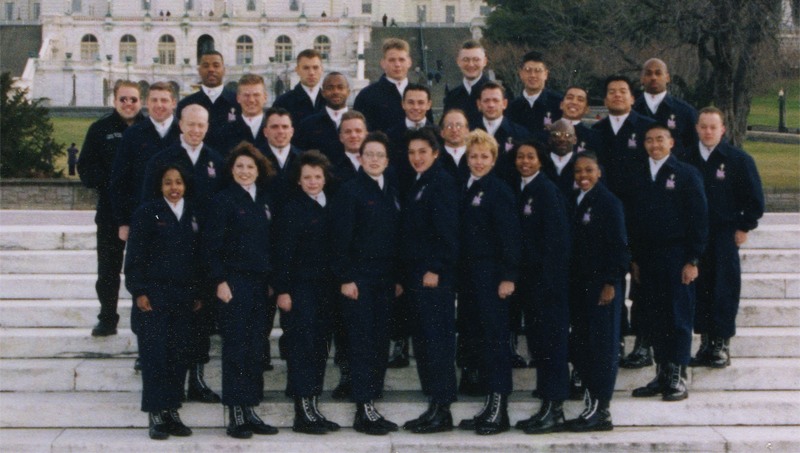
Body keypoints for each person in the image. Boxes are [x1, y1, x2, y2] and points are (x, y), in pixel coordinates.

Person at [140, 104, 225, 403]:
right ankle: (169, 387)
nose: (196, 130)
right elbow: (148, 207)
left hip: (204, 252)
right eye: (191, 124)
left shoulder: (216, 160)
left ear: (207, 127)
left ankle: (197, 379)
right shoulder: (162, 160)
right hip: (169, 253)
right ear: (180, 125)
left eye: (201, 125)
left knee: (201, 319)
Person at [203, 143, 279, 438]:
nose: (245, 171)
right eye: (239, 167)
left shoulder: (265, 200)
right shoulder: (223, 200)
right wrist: (219, 281)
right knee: (236, 347)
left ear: (258, 170)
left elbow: (271, 244)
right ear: (231, 170)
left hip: (261, 285)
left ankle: (250, 408)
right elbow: (211, 246)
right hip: (234, 284)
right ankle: (236, 412)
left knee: (256, 347)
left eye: (250, 166)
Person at [629, 123, 708, 402]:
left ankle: (677, 375)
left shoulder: (686, 174)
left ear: (671, 142)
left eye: (660, 139)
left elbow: (699, 219)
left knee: (678, 316)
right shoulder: (638, 174)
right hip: (647, 257)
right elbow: (633, 220)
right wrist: (634, 258)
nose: (655, 145)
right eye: (649, 140)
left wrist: (693, 259)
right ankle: (662, 373)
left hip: (677, 255)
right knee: (654, 315)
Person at [329, 132, 402, 435]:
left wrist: (397, 278)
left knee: (380, 341)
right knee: (361, 342)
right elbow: (339, 239)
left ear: (387, 160)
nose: (374, 159)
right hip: (358, 280)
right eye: (369, 154)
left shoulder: (391, 190)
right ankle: (363, 408)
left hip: (384, 280)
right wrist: (345, 277)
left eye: (379, 155)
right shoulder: (350, 191)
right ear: (359, 158)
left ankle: (372, 402)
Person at [682, 107, 764, 368]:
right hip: (694, 236)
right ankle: (705, 342)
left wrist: (744, 227)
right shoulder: (685, 158)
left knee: (723, 289)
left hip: (723, 235)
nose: (708, 132)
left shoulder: (738, 160)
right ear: (696, 128)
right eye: (703, 127)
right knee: (700, 289)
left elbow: (755, 200)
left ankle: (721, 344)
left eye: (713, 127)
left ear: (722, 130)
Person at [124, 163, 200, 440]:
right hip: (154, 296)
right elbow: (135, 256)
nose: (174, 188)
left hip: (183, 297)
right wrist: (139, 291)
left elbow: (200, 256)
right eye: (168, 182)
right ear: (159, 185)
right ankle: (156, 413)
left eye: (178, 182)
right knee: (155, 355)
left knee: (179, 355)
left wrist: (198, 293)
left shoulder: (194, 213)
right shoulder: (149, 212)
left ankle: (171, 411)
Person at [457, 129, 521, 436]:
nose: (478, 161)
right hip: (471, 278)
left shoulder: (499, 190)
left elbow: (510, 237)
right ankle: (488, 406)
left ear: (494, 159)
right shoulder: (467, 186)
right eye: (473, 156)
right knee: (479, 340)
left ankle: (499, 408)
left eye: (484, 156)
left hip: (493, 277)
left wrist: (508, 276)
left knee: (496, 341)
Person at [274, 150, 341, 434]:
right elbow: (283, 254)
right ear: (299, 181)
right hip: (300, 290)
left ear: (325, 178)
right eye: (307, 177)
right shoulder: (292, 209)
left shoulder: (332, 205)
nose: (313, 182)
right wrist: (283, 290)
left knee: (320, 348)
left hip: (326, 290)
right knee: (302, 348)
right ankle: (302, 412)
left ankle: (313, 407)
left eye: (317, 176)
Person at [592, 75, 656, 368]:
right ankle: (615, 339)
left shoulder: (646, 129)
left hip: (640, 216)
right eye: (611, 92)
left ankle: (644, 343)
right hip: (606, 218)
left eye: (622, 91)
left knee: (642, 281)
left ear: (632, 97)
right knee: (611, 278)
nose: (617, 95)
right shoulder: (596, 131)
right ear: (605, 99)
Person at [564, 152, 629, 432]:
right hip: (580, 286)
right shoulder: (575, 200)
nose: (583, 176)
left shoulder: (608, 202)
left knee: (602, 348)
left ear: (599, 172)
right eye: (578, 171)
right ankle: (591, 405)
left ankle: (601, 410)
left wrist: (611, 282)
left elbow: (619, 246)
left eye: (589, 170)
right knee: (584, 344)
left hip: (602, 287)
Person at [400, 128, 459, 434]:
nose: (417, 157)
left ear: (436, 153)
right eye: (412, 152)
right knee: (424, 342)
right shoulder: (419, 182)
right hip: (416, 276)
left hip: (434, 278)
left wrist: (437, 268)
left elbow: (448, 231)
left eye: (423, 151)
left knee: (437, 343)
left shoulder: (442, 182)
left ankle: (443, 409)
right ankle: (433, 406)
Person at [511, 139, 571, 435]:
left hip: (548, 286)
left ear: (540, 160)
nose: (524, 161)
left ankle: (555, 409)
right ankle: (546, 406)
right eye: (520, 157)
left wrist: (549, 282)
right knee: (540, 346)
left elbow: (556, 241)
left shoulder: (546, 190)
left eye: (530, 157)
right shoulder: (524, 189)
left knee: (551, 347)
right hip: (531, 284)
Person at [78, 80, 144, 337]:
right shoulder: (99, 129)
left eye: (133, 99)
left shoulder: (149, 129)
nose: (128, 104)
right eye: (123, 99)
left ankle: (145, 321)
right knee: (108, 269)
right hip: (110, 210)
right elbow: (85, 168)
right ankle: (107, 318)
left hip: (143, 212)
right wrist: (111, 183)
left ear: (141, 101)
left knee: (144, 269)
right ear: (114, 100)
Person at [111, 81, 181, 243]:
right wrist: (123, 222)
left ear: (173, 103)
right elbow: (119, 181)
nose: (159, 105)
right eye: (154, 100)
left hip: (179, 218)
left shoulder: (184, 134)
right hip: (142, 217)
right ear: (146, 103)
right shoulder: (132, 135)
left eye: (164, 100)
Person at [354, 38, 432, 132]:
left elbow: (430, 129)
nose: (397, 64)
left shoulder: (421, 94)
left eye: (401, 60)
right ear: (383, 63)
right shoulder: (366, 96)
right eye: (392, 60)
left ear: (409, 62)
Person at [177, 50, 241, 154]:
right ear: (199, 70)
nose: (211, 69)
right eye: (206, 66)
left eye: (216, 65)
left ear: (224, 70)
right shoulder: (186, 104)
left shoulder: (238, 102)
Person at [633, 58, 699, 157]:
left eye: (658, 73)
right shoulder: (631, 110)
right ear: (641, 78)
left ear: (667, 77)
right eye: (648, 73)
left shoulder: (685, 111)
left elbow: (694, 147)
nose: (653, 77)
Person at [475, 81, 532, 191]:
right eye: (486, 101)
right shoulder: (469, 132)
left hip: (511, 193)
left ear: (504, 104)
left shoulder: (520, 134)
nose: (491, 105)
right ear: (479, 104)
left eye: (495, 100)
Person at [506, 51, 563, 142]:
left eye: (538, 71)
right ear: (521, 74)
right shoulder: (511, 107)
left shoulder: (559, 103)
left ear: (546, 74)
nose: (532, 75)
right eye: (528, 70)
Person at [293, 72, 350, 163]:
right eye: (330, 88)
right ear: (323, 93)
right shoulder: (308, 125)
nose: (335, 92)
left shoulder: (360, 123)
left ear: (348, 92)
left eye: (340, 87)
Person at [443, 40, 490, 127]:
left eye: (476, 60)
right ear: (458, 62)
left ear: (485, 61)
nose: (471, 64)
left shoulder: (496, 94)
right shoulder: (451, 97)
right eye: (466, 60)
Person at [273, 49, 325, 126]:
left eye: (315, 67)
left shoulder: (330, 101)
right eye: (306, 68)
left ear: (322, 69)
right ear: (297, 70)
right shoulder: (282, 102)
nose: (311, 73)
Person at [540, 119, 580, 198]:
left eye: (567, 135)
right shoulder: (540, 162)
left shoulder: (583, 164)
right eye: (556, 135)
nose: (562, 139)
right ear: (549, 139)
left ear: (575, 140)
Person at [231, 74, 270, 152]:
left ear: (265, 97)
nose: (251, 100)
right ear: (238, 98)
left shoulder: (276, 128)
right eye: (246, 95)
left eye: (256, 95)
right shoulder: (227, 130)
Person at [559, 86, 603, 155]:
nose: (574, 102)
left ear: (586, 110)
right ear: (561, 105)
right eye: (570, 98)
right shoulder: (547, 131)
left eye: (580, 100)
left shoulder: (595, 137)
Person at [438, 109, 471, 184]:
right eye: (449, 126)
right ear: (442, 132)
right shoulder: (434, 158)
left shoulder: (475, 156)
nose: (454, 130)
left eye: (459, 125)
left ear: (467, 131)